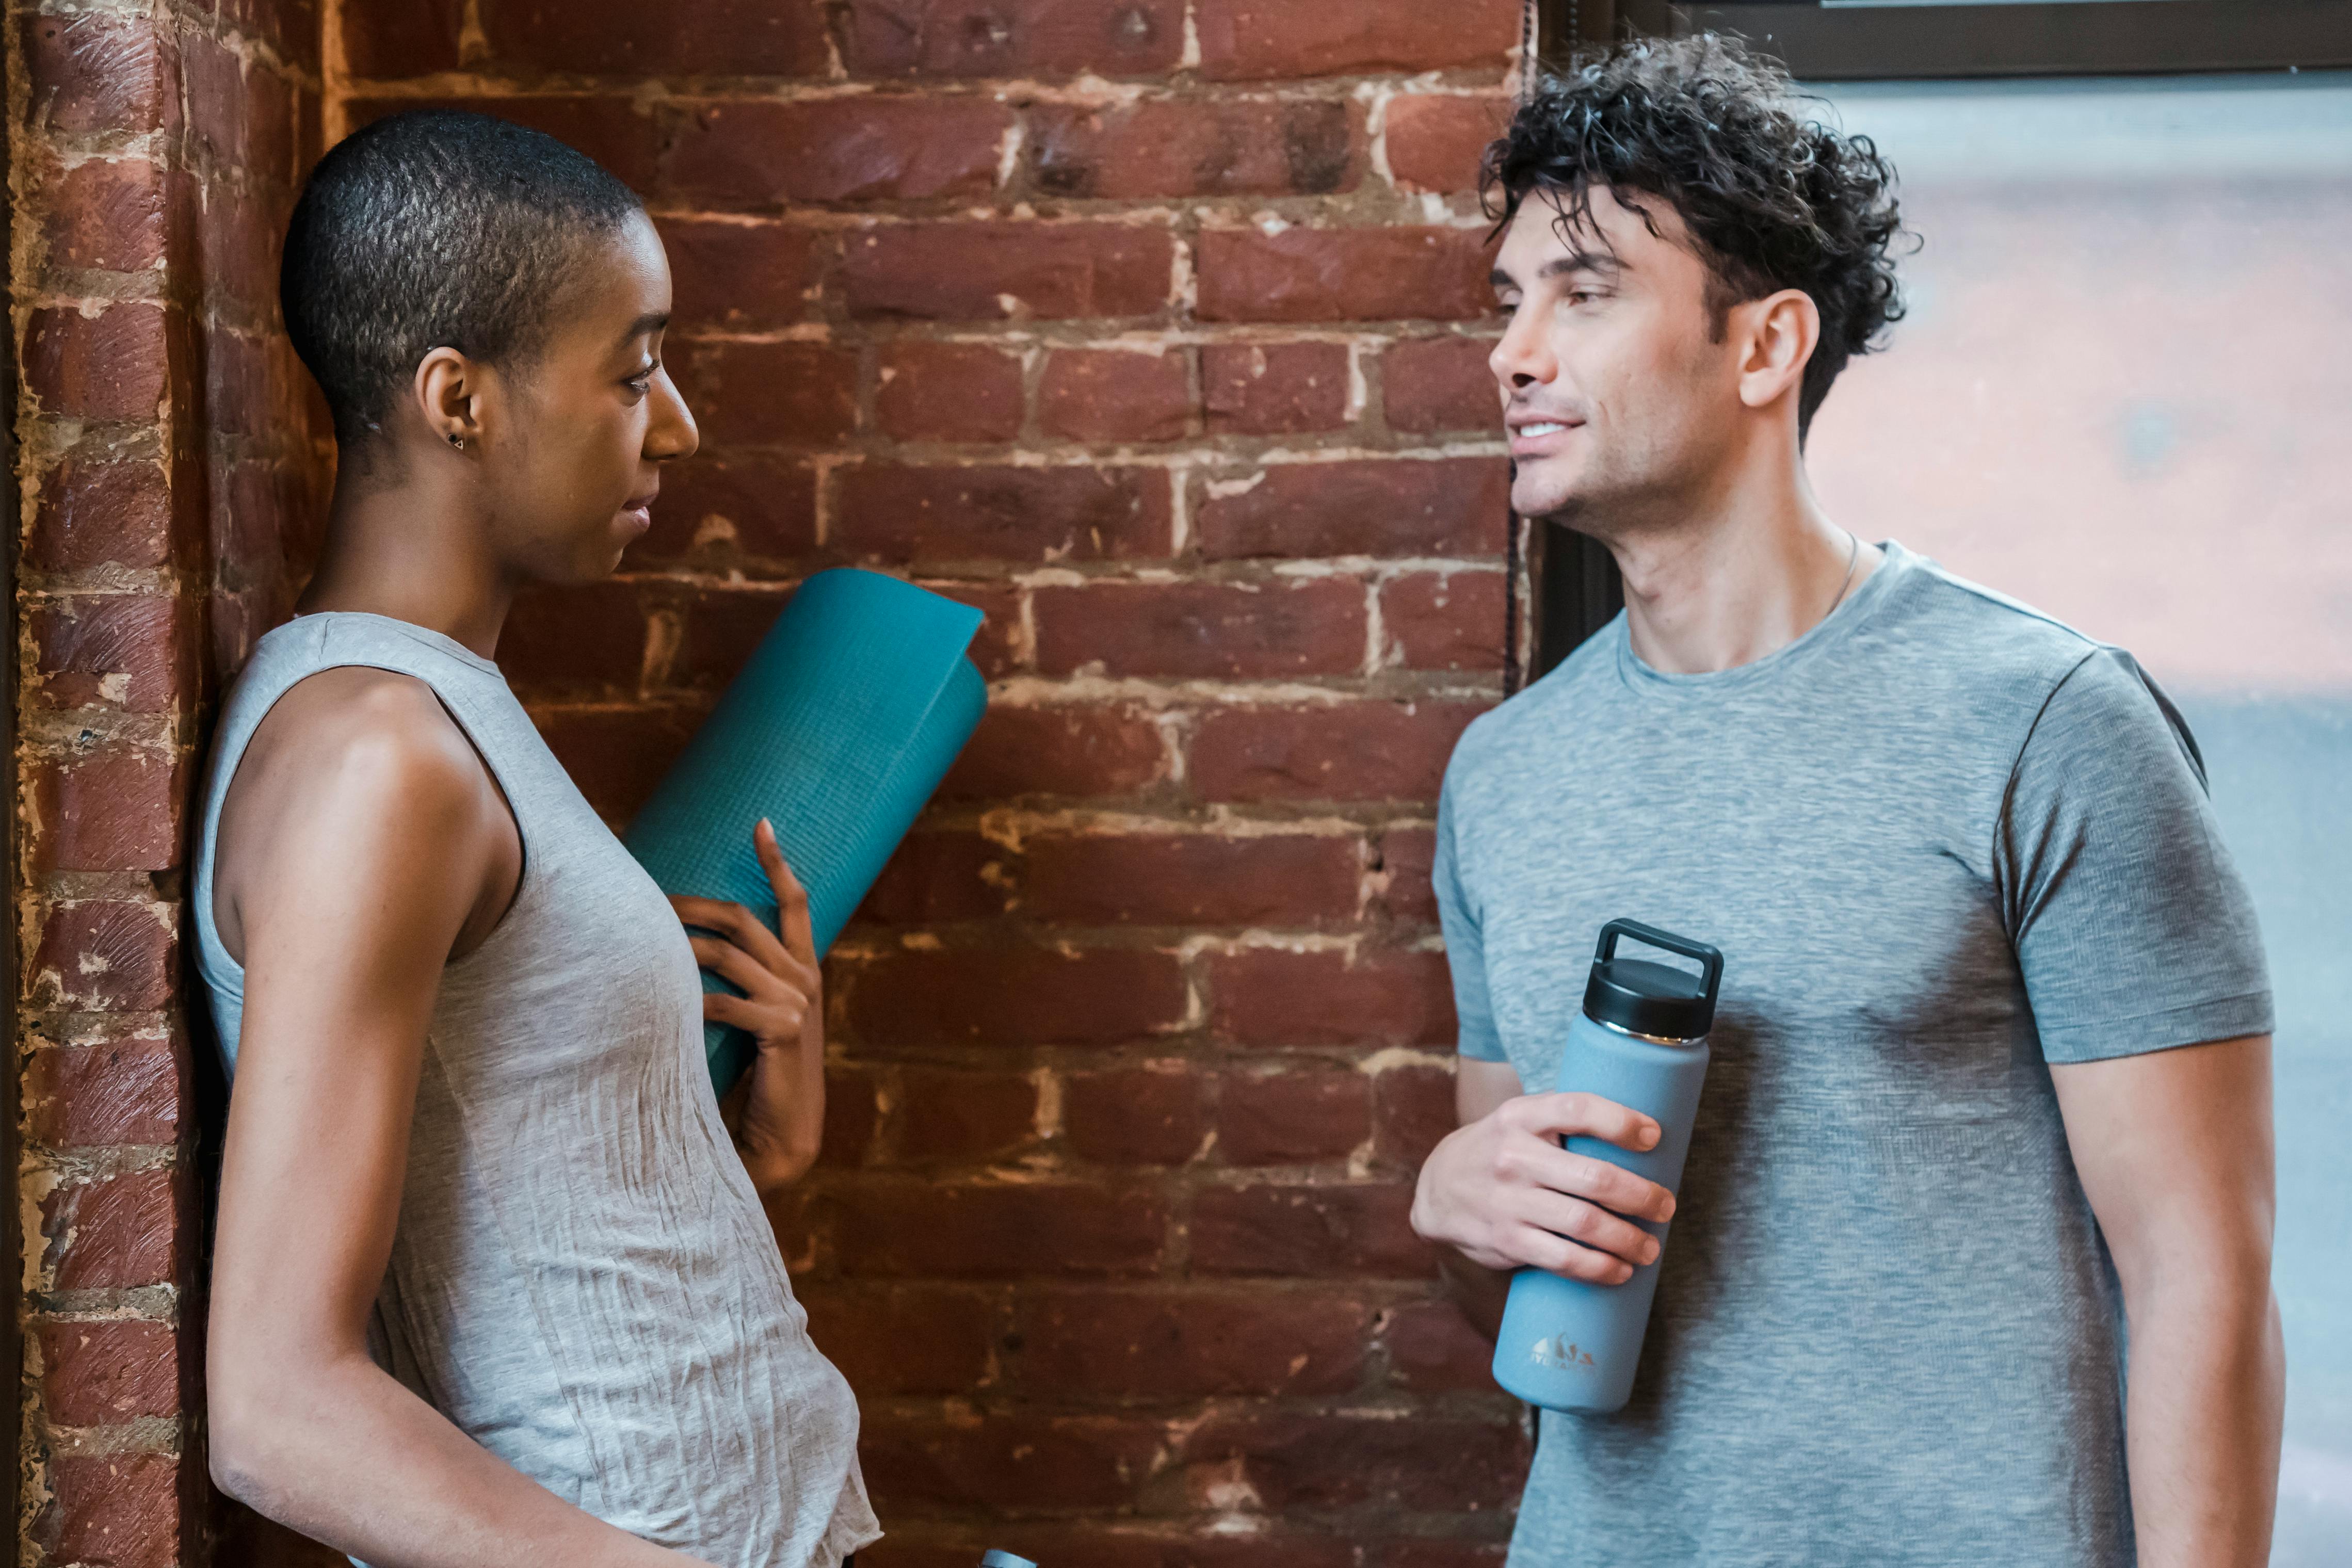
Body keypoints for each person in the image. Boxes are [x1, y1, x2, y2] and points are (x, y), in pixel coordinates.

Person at [1411, 36, 2282, 1568]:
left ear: (1765, 348)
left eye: (1585, 292)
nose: (1514, 352)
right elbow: (1537, 1278)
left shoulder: (2045, 723)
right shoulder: (1507, 776)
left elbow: (2200, 1271)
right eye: (1508, 300)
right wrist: (1453, 1203)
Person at [194, 111, 878, 1568]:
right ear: (460, 399)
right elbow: (275, 1408)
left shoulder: (436, 715)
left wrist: (758, 1149)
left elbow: (516, 1249)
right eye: (633, 373)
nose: (676, 425)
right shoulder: (378, 760)